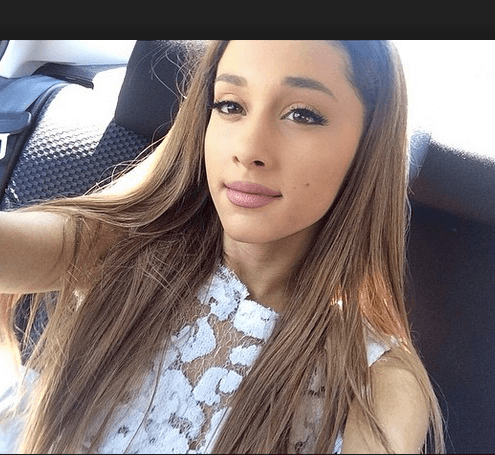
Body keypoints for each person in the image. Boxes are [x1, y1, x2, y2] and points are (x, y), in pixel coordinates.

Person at [0, 40, 444, 453]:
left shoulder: (379, 382)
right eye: (230, 106)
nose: (249, 150)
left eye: (302, 114)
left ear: (367, 146)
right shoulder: (120, 246)